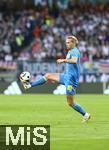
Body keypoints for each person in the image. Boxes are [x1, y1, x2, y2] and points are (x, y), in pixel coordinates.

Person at [20, 35, 90, 123]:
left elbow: (74, 61)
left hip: (71, 81)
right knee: (48, 75)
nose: (66, 44)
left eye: (68, 43)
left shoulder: (75, 51)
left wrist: (63, 60)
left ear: (73, 43)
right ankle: (29, 85)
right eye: (66, 43)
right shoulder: (70, 51)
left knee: (70, 103)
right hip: (66, 77)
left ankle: (86, 115)